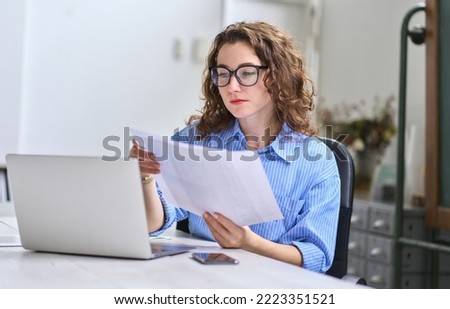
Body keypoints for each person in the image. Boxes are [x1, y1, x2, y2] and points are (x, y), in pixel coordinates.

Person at [130, 21, 340, 273]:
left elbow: (317, 256)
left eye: (247, 72)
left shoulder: (317, 161)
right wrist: (146, 179)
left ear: (275, 77)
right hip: (199, 279)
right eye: (223, 73)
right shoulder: (196, 139)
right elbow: (154, 224)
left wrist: (249, 243)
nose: (232, 86)